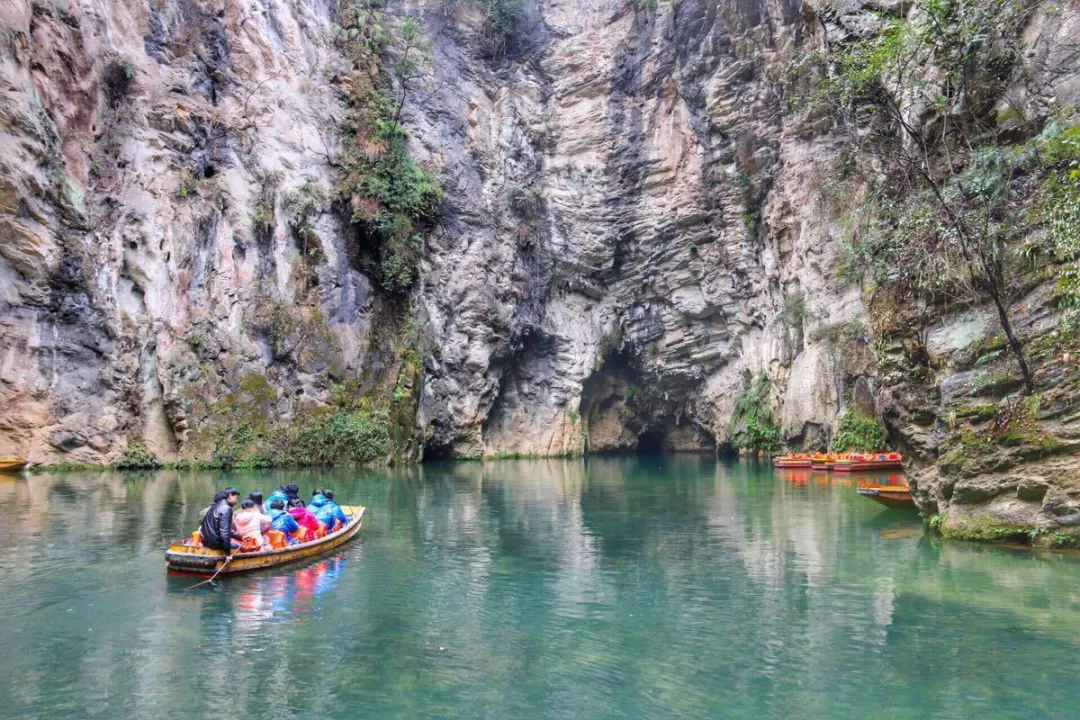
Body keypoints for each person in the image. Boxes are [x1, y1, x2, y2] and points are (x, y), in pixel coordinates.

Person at [199, 487, 242, 555]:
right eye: (236, 498)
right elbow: (224, 533)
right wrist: (228, 554)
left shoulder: (216, 505)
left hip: (206, 541)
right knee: (240, 546)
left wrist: (240, 537)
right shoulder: (226, 508)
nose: (237, 501)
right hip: (214, 544)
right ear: (230, 496)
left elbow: (226, 529)